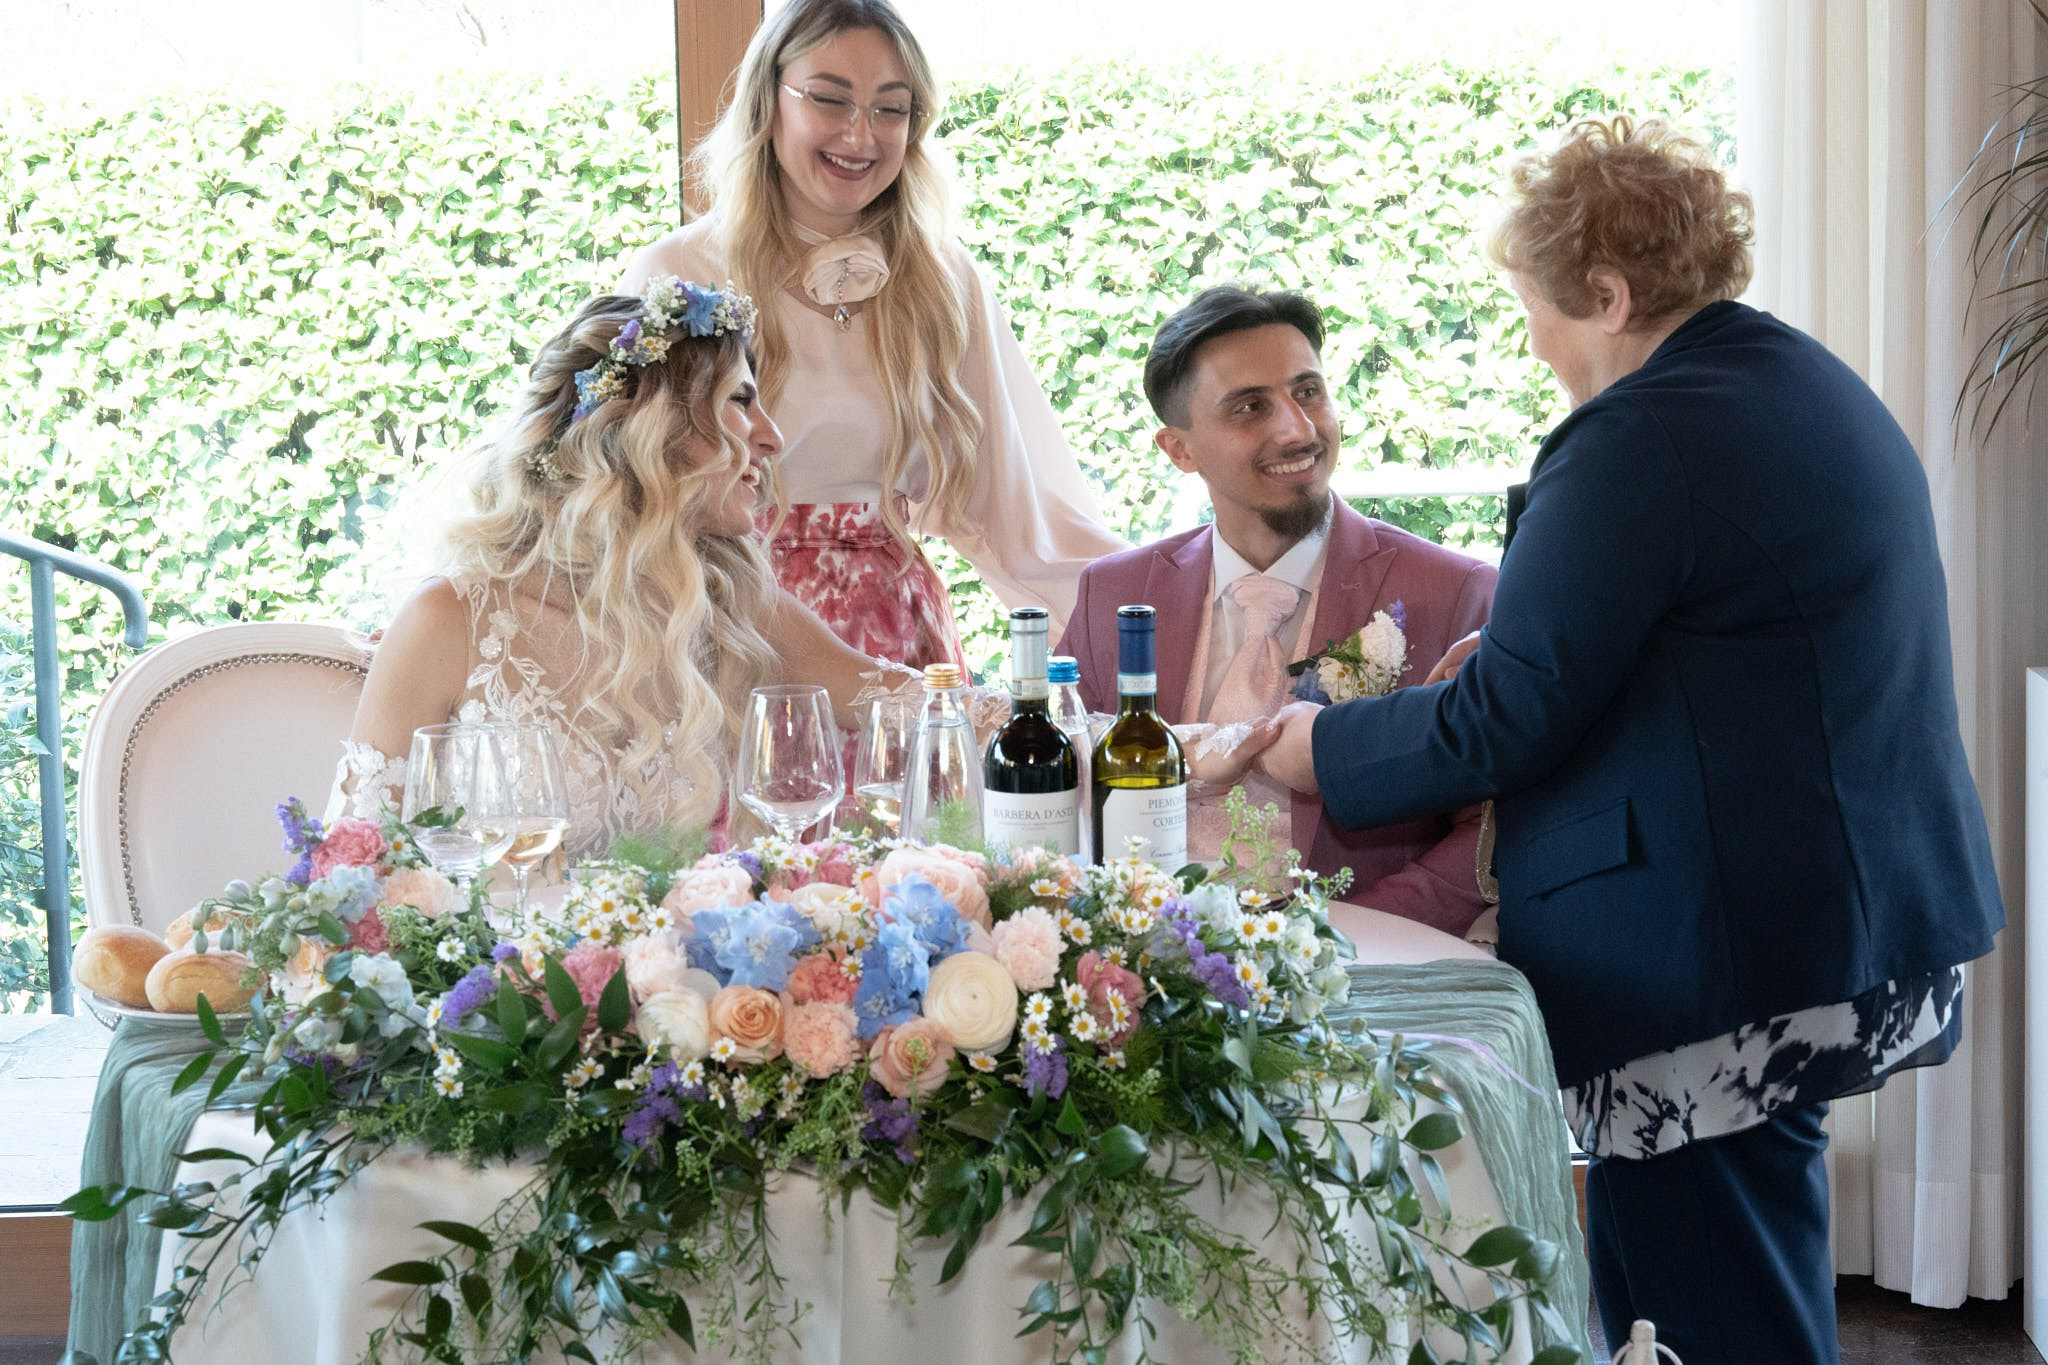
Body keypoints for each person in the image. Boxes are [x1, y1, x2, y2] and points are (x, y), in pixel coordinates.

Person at [1256, 118, 2006, 1363]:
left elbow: (1513, 716)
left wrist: (1314, 753)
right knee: (1748, 1277)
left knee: (1695, 1318)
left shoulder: (1638, 434)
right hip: (1825, 922)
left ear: (1605, 293)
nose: (1539, 346)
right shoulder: (1791, 380)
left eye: (1538, 313)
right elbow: (1711, 651)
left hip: (1721, 961)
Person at [617, 0, 1124, 669]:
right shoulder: (678, 272)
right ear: (768, 101)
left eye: (891, 108)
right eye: (830, 100)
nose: (861, 136)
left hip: (900, 646)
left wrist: (1163, 622)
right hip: (728, 636)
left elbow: (1022, 515)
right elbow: (627, 496)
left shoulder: (945, 280)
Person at [334, 277, 915, 859]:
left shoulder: (728, 605)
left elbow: (910, 705)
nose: (773, 437)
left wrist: (1007, 721)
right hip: (489, 948)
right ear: (650, 429)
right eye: (740, 401)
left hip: (660, 948)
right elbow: (357, 869)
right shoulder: (452, 617)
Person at [1057, 286, 1497, 940]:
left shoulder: (1452, 591)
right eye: (1250, 407)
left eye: (1309, 391)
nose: (1297, 428)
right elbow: (1062, 790)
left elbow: (1488, 826)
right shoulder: (1113, 595)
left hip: (1358, 967)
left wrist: (1328, 937)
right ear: (1180, 449)